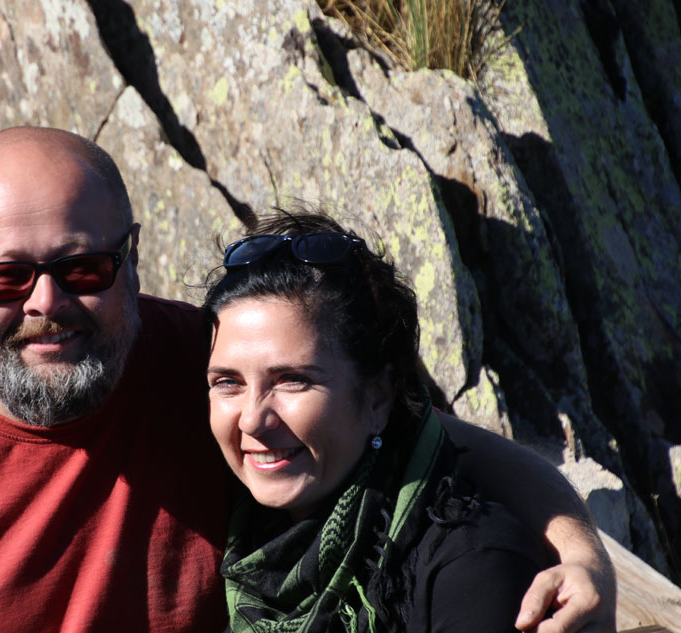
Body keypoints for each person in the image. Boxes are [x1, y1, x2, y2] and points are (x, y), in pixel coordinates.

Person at [0, 127, 613, 632]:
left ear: (131, 254)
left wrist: (583, 557)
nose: (47, 303)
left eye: (83, 267)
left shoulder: (216, 372)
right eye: (4, 277)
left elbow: (450, 449)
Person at [203, 210, 584, 632]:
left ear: (379, 397)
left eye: (293, 380)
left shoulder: (473, 565)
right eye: (227, 382)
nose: (252, 420)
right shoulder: (245, 539)